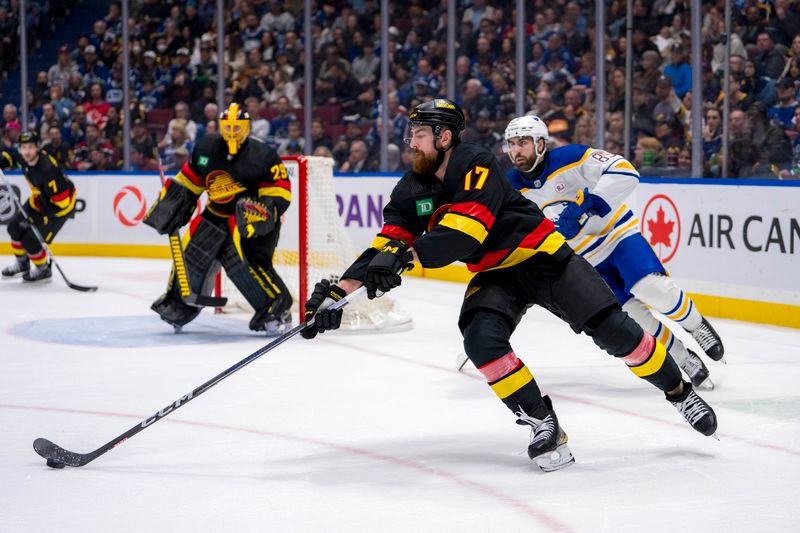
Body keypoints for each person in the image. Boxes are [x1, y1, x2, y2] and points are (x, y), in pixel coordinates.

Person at [300, 99, 718, 472]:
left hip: (545, 258)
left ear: (445, 137)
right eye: (411, 134)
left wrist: (404, 258)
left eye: (421, 134)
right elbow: (384, 245)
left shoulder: (475, 161)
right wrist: (338, 297)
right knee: (480, 340)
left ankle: (680, 392)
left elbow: (465, 233)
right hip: (497, 274)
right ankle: (543, 422)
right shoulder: (410, 189)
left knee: (617, 332)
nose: (412, 142)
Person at [502, 115, 726, 389]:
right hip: (582, 263)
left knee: (652, 287)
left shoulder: (570, 157)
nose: (516, 151)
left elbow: (625, 170)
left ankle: (695, 324)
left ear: (540, 144)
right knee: (634, 318)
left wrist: (590, 204)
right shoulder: (510, 186)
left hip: (617, 236)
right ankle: (682, 357)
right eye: (511, 144)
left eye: (522, 142)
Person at [143, 103, 293, 335]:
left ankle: (275, 307)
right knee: (192, 255)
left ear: (247, 127)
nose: (232, 131)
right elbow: (190, 180)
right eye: (228, 126)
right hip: (216, 212)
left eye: (237, 126)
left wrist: (264, 211)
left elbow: (280, 191)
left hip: (250, 221)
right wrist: (172, 204)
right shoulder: (206, 147)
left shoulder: (263, 155)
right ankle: (180, 306)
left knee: (245, 265)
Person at [0, 132, 76, 282]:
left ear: (38, 147)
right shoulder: (23, 156)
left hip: (59, 209)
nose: (26, 151)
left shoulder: (48, 170)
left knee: (30, 238)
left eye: (30, 147)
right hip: (39, 199)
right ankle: (22, 264)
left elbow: (61, 203)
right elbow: (11, 158)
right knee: (14, 227)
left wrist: (35, 218)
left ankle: (43, 268)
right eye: (23, 147)